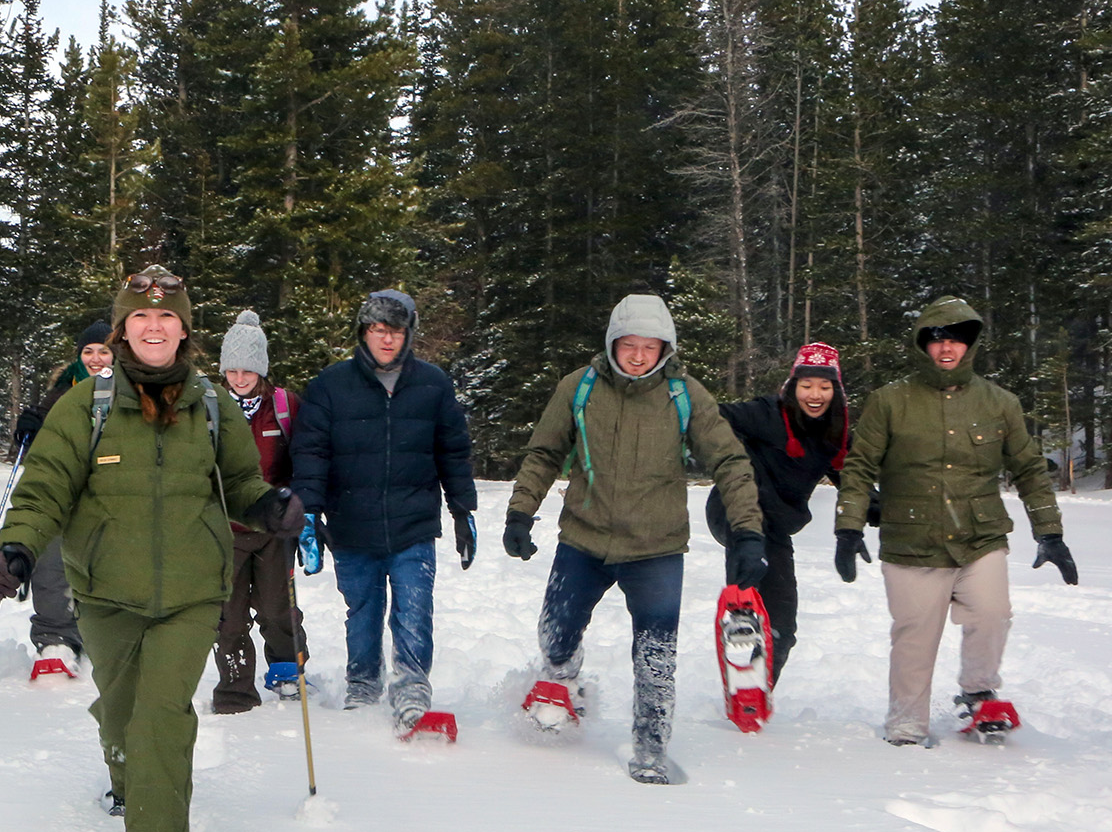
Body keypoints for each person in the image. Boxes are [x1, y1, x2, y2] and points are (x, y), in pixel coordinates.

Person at [0, 267, 302, 832]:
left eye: (167, 317)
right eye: (141, 317)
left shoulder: (210, 405)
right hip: (105, 591)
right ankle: (129, 782)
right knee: (122, 710)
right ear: (124, 329)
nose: (154, 326)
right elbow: (45, 486)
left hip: (192, 591)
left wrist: (267, 507)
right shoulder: (86, 405)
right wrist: (18, 548)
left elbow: (238, 481)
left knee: (161, 714)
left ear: (184, 330)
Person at [502, 293, 765, 783]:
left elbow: (730, 461)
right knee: (554, 636)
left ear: (665, 348)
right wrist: (520, 514)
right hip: (583, 538)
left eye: (651, 346)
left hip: (656, 548)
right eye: (629, 345)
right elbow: (543, 452)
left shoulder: (684, 395)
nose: (640, 355)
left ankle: (651, 744)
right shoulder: (578, 388)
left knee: (656, 655)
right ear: (612, 344)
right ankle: (563, 680)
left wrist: (747, 531)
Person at [833, 295, 1076, 746]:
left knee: (992, 613)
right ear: (923, 343)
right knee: (915, 636)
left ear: (971, 345)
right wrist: (848, 527)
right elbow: (860, 465)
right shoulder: (889, 401)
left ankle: (978, 693)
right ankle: (906, 722)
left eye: (957, 339)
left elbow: (1027, 469)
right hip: (911, 542)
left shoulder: (1000, 403)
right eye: (937, 339)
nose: (947, 348)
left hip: (979, 537)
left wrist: (1050, 532)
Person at [290, 289, 477, 732]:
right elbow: (311, 454)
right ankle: (363, 682)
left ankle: (412, 686)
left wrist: (463, 510)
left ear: (408, 334)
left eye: (395, 331)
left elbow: (453, 451)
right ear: (363, 332)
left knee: (414, 608)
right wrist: (309, 516)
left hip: (413, 523)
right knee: (363, 609)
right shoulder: (330, 386)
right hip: (352, 524)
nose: (386, 339)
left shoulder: (433, 384)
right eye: (378, 330)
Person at [705, 342, 851, 684]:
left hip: (776, 528)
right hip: (732, 509)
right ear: (792, 386)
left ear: (836, 391)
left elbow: (851, 478)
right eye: (807, 385)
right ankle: (741, 605)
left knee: (783, 624)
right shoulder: (767, 413)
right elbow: (711, 417)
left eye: (824, 387)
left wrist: (863, 513)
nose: (815, 394)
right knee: (750, 536)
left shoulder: (835, 432)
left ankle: (757, 685)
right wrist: (727, 456)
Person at [210, 310, 309, 714]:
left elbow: (306, 459)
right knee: (228, 616)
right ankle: (235, 687)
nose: (238, 377)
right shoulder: (210, 407)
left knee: (276, 608)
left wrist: (301, 512)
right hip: (225, 529)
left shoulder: (284, 406)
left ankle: (288, 671)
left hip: (271, 528)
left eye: (246, 369)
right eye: (231, 369)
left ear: (261, 368)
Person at [13, 321, 115, 669]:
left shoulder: (131, 392)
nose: (95, 358)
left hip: (113, 491)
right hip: (66, 490)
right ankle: (55, 637)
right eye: (88, 351)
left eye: (103, 350)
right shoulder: (61, 391)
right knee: (53, 561)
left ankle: (109, 631)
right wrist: (28, 428)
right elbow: (39, 449)